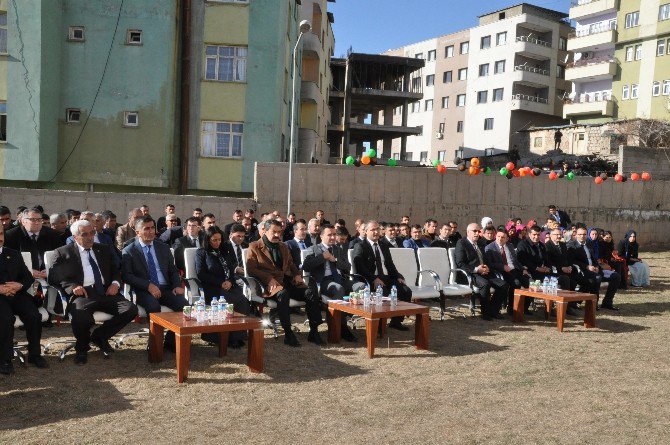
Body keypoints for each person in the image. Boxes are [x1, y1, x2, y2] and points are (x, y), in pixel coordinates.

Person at [49, 220, 137, 364]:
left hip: (106, 292)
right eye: (85, 234)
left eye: (92, 233)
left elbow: (116, 270)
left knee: (130, 309)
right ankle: (82, 348)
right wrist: (72, 287)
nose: (90, 237)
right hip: (83, 294)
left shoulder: (103, 249)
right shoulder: (63, 252)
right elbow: (54, 276)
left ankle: (99, 336)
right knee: (82, 317)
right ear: (75, 236)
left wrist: (115, 283)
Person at [246, 219, 323, 347]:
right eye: (274, 232)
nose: (277, 235)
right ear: (264, 231)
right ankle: (288, 333)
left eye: (279, 232)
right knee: (284, 294)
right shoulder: (254, 246)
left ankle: (314, 331)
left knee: (310, 292)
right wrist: (268, 278)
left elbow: (291, 264)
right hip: (270, 284)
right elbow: (251, 269)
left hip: (287, 280)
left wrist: (297, 275)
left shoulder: (283, 246)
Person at [121, 216, 186, 350]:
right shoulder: (129, 250)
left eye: (152, 228)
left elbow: (173, 271)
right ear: (137, 232)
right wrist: (148, 285)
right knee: (153, 306)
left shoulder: (163, 247)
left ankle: (171, 342)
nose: (151, 232)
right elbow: (127, 276)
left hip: (166, 288)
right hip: (144, 290)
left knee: (184, 306)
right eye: (146, 229)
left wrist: (177, 286)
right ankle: (155, 345)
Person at [0, 224, 48, 374]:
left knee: (34, 315)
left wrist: (19, 285)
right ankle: (5, 359)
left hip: (18, 294)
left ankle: (35, 355)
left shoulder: (13, 253)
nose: (0, 238)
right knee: (6, 319)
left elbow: (27, 277)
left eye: (1, 234)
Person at [195, 226, 251, 348]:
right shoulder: (201, 252)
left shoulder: (224, 250)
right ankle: (219, 337)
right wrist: (221, 282)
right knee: (227, 302)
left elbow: (231, 269)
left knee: (242, 301)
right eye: (214, 240)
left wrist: (230, 281)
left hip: (228, 285)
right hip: (212, 287)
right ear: (208, 239)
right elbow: (201, 274)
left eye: (219, 240)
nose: (217, 242)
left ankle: (236, 336)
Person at [351, 220, 412, 331]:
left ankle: (396, 321)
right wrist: (374, 278)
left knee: (405, 290)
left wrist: (398, 276)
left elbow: (390, 264)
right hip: (369, 278)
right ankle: (378, 325)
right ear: (366, 231)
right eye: (372, 230)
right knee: (381, 291)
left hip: (385, 277)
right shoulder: (360, 245)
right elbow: (359, 266)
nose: (375, 232)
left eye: (377, 229)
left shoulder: (383, 245)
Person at [302, 224, 357, 342]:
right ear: (321, 236)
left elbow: (347, 266)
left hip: (340, 278)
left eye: (334, 234)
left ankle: (359, 319)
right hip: (324, 281)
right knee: (338, 289)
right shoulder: (314, 249)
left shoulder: (338, 249)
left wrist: (335, 260)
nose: (333, 237)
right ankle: (340, 327)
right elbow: (306, 266)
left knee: (360, 286)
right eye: (329, 235)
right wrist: (323, 257)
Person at [454, 223, 508, 320]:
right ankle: (486, 313)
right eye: (474, 231)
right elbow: (460, 263)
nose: (477, 233)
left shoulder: (481, 243)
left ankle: (494, 310)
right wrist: (476, 269)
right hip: (470, 274)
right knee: (485, 284)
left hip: (484, 272)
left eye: (478, 231)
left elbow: (486, 260)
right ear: (468, 232)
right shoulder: (461, 243)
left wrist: (487, 268)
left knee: (503, 285)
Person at [4, 207, 64, 281]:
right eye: (33, 219)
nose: (37, 222)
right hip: (21, 276)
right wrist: (27, 270)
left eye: (39, 220)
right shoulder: (11, 235)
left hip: (47, 276)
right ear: (23, 221)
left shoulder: (53, 235)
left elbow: (61, 257)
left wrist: (50, 269)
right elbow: (8, 260)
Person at [568, 227, 619, 310]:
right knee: (596, 278)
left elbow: (594, 258)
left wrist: (597, 267)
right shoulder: (572, 246)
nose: (582, 236)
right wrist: (587, 267)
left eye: (584, 234)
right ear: (576, 235)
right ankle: (593, 304)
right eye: (580, 234)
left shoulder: (589, 244)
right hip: (583, 271)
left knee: (616, 276)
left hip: (595, 269)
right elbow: (572, 261)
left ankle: (607, 302)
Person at [485, 228, 531, 315]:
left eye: (503, 237)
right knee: (516, 283)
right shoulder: (490, 248)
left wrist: (523, 269)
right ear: (495, 236)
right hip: (502, 272)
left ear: (507, 239)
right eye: (498, 236)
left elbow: (515, 260)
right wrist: (502, 266)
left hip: (514, 269)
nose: (500, 239)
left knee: (528, 282)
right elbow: (489, 264)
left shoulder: (509, 246)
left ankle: (525, 308)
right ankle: (512, 309)